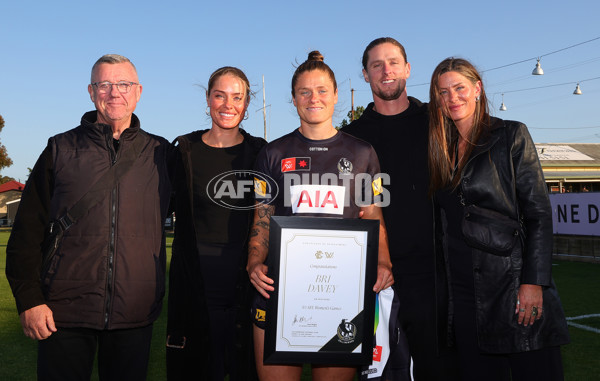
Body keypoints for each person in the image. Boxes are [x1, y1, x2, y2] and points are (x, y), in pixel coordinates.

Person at [5, 54, 172, 381]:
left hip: (134, 314)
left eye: (123, 84)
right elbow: (26, 232)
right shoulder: (60, 148)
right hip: (62, 313)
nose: (114, 92)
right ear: (91, 91)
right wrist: (29, 300)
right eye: (104, 84)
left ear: (138, 92)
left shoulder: (161, 153)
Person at [247, 51, 394, 381]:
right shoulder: (272, 153)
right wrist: (254, 263)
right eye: (305, 91)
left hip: (340, 294)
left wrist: (383, 262)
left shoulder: (363, 153)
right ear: (294, 98)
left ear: (336, 95)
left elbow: (373, 214)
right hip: (280, 292)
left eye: (322, 90)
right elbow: (261, 219)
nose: (314, 98)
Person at [427, 57, 570, 381]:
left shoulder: (510, 135)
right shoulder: (439, 148)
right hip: (462, 296)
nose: (453, 98)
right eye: (443, 92)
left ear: (477, 89)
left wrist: (534, 283)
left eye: (460, 88)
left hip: (511, 286)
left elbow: (538, 213)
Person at [342, 37, 460, 379]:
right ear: (365, 75)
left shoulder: (439, 124)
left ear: (408, 69)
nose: (386, 70)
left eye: (393, 62)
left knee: (438, 369)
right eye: (376, 65)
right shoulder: (353, 139)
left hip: (436, 276)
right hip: (377, 278)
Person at [166, 66, 266, 380]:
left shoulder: (261, 154)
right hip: (194, 291)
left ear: (247, 103)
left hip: (246, 288)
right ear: (208, 99)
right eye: (220, 95)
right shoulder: (184, 151)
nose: (228, 104)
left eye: (237, 97)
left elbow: (276, 214)